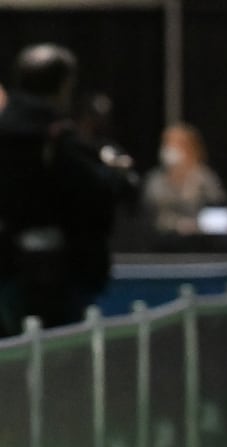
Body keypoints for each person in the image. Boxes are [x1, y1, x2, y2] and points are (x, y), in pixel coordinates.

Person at [0, 44, 138, 337]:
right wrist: (113, 174)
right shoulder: (58, 138)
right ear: (63, 86)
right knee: (59, 366)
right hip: (57, 277)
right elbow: (95, 192)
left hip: (6, 269)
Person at [142, 123, 226, 235]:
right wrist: (176, 224)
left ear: (189, 147)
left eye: (175, 144)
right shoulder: (155, 180)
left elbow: (218, 209)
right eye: (166, 143)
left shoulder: (204, 178)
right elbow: (149, 213)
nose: (169, 148)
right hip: (162, 241)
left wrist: (197, 224)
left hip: (201, 240)